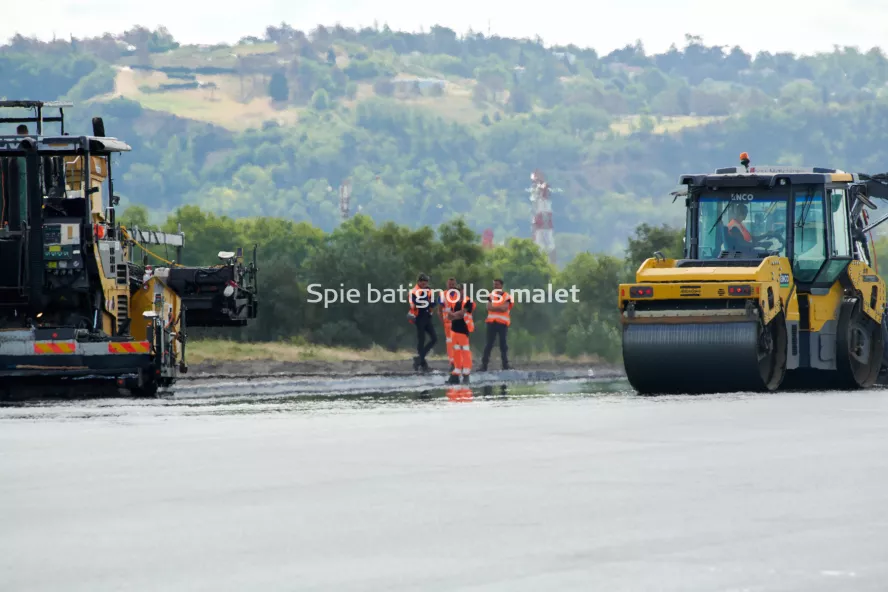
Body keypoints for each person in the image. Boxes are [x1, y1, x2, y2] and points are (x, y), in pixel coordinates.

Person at [481, 278, 512, 371]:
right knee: (489, 344)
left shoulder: (507, 296)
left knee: (503, 344)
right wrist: (498, 307)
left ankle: (505, 365)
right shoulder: (490, 295)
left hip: (502, 323)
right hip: (491, 322)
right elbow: (488, 307)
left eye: (497, 284)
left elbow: (504, 308)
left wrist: (494, 307)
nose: (495, 286)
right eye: (494, 284)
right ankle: (484, 366)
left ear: (501, 286)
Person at [446, 284, 474, 384]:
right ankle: (456, 374)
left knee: (465, 352)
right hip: (454, 330)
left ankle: (466, 374)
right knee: (456, 352)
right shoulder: (454, 302)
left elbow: (463, 313)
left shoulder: (468, 301)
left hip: (463, 330)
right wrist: (452, 316)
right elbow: (449, 316)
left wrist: (453, 315)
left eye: (459, 290)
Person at [408, 273, 437, 371]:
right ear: (419, 282)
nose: (425, 284)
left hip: (427, 316)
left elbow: (433, 303)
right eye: (424, 282)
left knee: (434, 338)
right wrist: (427, 302)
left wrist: (427, 303)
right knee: (421, 340)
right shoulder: (414, 291)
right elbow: (415, 303)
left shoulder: (429, 290)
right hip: (419, 316)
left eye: (426, 282)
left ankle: (419, 359)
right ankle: (423, 364)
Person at [439, 277, 461, 372]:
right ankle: (452, 363)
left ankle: (458, 362)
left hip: (457, 322)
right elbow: (439, 310)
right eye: (450, 284)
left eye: (453, 284)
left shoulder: (459, 295)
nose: (451, 286)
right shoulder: (442, 295)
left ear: (455, 285)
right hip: (447, 323)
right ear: (447, 285)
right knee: (449, 343)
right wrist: (442, 322)